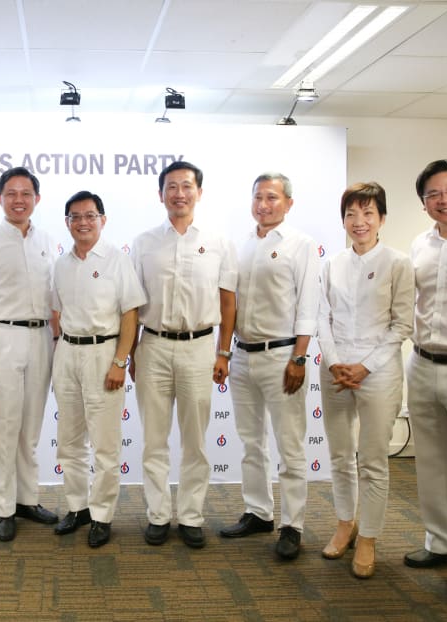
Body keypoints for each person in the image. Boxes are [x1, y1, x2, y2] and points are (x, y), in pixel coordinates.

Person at [131, 161, 237, 549]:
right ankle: (158, 515)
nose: (179, 193)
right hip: (153, 346)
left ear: (199, 192)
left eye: (186, 186)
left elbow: (228, 303)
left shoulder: (219, 242)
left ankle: (191, 516)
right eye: (171, 187)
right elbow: (131, 305)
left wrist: (224, 352)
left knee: (195, 441)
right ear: (161, 194)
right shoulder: (143, 243)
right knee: (153, 440)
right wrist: (129, 355)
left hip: (199, 347)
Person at [219, 172, 319, 560]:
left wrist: (299, 356)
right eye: (258, 197)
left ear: (288, 203)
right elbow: (230, 306)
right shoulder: (241, 246)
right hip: (243, 354)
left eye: (272, 198)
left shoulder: (301, 244)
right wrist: (225, 352)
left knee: (290, 446)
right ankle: (258, 511)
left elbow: (309, 305)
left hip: (282, 357)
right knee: (251, 442)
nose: (264, 204)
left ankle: (292, 524)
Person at [317, 182, 414, 578]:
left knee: (372, 459)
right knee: (340, 456)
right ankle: (345, 523)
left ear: (382, 219)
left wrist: (365, 366)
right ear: (343, 220)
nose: (359, 222)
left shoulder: (398, 262)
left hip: (379, 371)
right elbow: (321, 316)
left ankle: (370, 536)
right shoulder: (332, 263)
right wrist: (338, 361)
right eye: (351, 215)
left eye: (368, 213)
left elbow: (401, 323)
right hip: (336, 370)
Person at [0, 167, 59, 542]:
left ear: (37, 198)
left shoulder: (48, 240)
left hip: (41, 339)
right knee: (5, 428)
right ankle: (4, 508)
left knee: (31, 427)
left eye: (26, 193)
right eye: (11, 193)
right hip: (2, 336)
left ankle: (27, 499)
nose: (19, 199)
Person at [52, 191, 146, 547]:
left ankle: (102, 514)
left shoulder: (117, 260)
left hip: (104, 353)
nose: (83, 222)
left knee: (105, 444)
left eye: (90, 215)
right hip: (67, 352)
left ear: (102, 220)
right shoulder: (61, 264)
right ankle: (78, 507)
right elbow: (55, 311)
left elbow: (130, 313)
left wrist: (121, 360)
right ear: (67, 223)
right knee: (70, 439)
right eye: (75, 216)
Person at [402, 159, 447, 598]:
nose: (445, 200)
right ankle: (442, 543)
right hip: (422, 364)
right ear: (424, 204)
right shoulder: (418, 246)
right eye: (434, 194)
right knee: (432, 463)